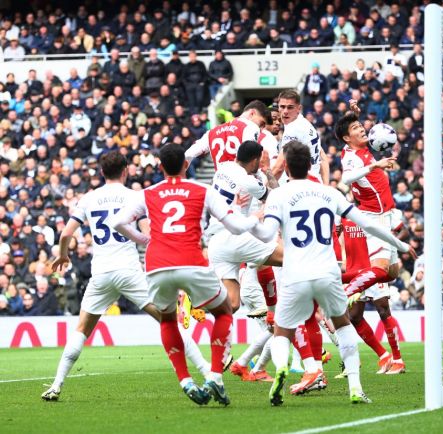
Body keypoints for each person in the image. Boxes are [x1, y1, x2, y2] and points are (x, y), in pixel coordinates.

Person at [250, 141, 416, 406]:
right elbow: (368, 224)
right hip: (328, 271)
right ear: (309, 166)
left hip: (296, 273)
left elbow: (267, 234)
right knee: (342, 323)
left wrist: (250, 224)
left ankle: (281, 367)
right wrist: (401, 245)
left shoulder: (278, 196)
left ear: (288, 169)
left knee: (282, 331)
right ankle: (356, 387)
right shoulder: (329, 193)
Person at [41, 151, 211, 402]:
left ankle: (56, 385)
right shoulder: (134, 196)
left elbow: (66, 234)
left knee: (81, 330)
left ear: (101, 172)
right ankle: (206, 370)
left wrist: (64, 255)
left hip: (101, 273)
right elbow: (149, 233)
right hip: (130, 271)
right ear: (126, 171)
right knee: (168, 321)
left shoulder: (89, 198)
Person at [113, 144, 261, 406]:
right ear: (186, 164)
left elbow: (118, 223)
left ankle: (185, 379)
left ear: (160, 167)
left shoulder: (147, 193)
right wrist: (258, 220)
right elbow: (235, 226)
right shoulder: (202, 190)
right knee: (225, 311)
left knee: (168, 320)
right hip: (191, 261)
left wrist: (143, 238)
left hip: (157, 264)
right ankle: (215, 375)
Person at [336, 103, 401, 300]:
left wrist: (353, 115)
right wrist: (375, 165)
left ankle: (339, 280)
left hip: (386, 213)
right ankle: (342, 294)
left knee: (392, 273)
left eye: (359, 125)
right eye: (356, 128)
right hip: (375, 216)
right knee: (380, 269)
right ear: (348, 138)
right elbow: (346, 178)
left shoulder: (353, 147)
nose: (362, 128)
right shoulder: (352, 158)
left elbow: (346, 129)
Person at [207, 140, 280, 313]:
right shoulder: (248, 181)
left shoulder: (222, 169)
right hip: (234, 236)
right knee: (290, 257)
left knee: (231, 304)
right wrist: (267, 169)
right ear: (255, 161)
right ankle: (275, 312)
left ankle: (197, 300)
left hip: (216, 240)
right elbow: (275, 198)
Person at [341, 218, 406, 374]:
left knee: (383, 311)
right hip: (354, 272)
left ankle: (398, 360)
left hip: (374, 268)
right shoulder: (342, 215)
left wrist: (392, 243)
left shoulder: (375, 215)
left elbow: (401, 227)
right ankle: (384, 356)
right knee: (355, 317)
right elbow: (334, 239)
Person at [185, 99, 268, 169]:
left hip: (219, 182)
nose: (262, 128)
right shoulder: (251, 127)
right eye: (261, 123)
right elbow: (250, 156)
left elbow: (188, 154)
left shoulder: (212, 131)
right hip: (240, 182)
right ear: (252, 113)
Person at [272, 90, 330, 184]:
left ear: (299, 108)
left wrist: (262, 191)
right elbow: (322, 157)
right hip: (316, 182)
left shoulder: (293, 128)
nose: (285, 111)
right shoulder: (305, 123)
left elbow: (279, 167)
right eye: (282, 107)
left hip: (303, 183)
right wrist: (326, 185)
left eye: (290, 107)